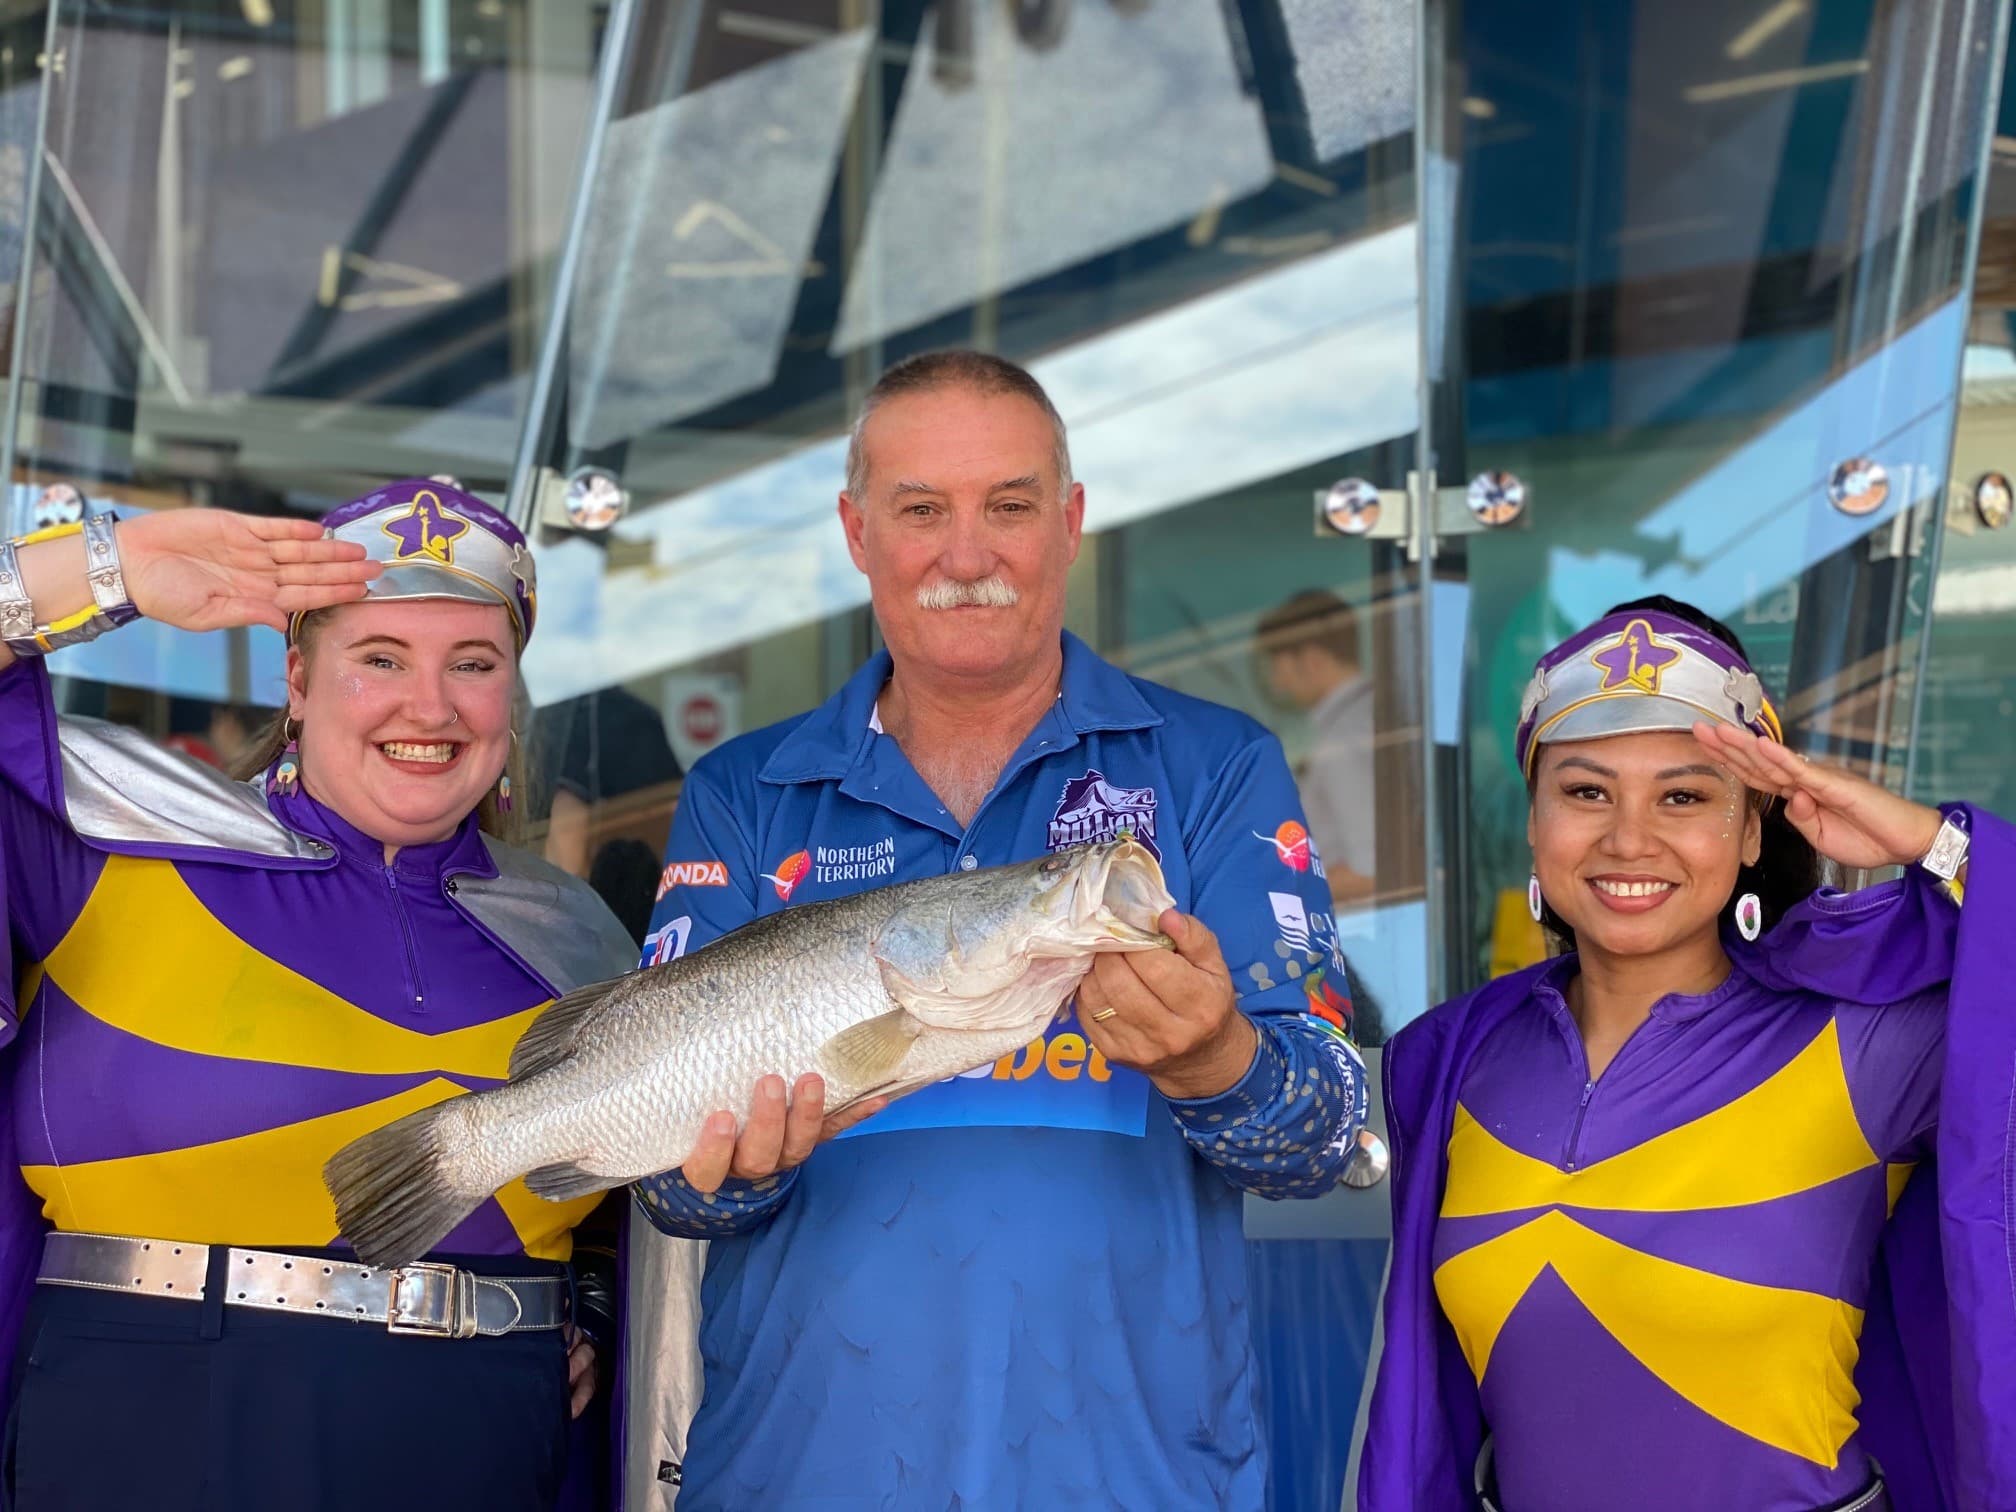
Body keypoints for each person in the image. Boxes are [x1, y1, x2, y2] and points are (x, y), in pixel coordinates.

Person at [631, 350, 1377, 1509]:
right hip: (802, 1474)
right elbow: (669, 1192)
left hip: (1130, 1480)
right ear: (858, 532)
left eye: (1010, 507)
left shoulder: (1215, 767)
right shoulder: (746, 792)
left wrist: (1215, 1059)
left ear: (1069, 524)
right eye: (922, 510)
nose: (967, 555)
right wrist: (730, 1170)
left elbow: (1326, 1134)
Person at [0, 481, 639, 1511]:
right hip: (154, 1439)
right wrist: (112, 568)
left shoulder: (582, 937)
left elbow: (618, 1209)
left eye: (472, 664)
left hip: (484, 1446)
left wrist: (592, 1314)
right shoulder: (108, 841)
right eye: (380, 658)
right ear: (297, 680)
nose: (429, 706)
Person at [1359, 595, 2016, 1511]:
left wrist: (1939, 847)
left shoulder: (1867, 1042)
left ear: (1751, 830)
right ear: (1535, 822)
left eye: (1684, 796)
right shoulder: (1451, 1058)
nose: (1630, 839)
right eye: (1586, 792)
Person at [1256, 588, 1377, 904]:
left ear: (1311, 660)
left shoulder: (1341, 738)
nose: (1277, 683)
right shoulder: (1375, 714)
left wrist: (1271, 893)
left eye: (1279, 667)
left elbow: (1369, 870)